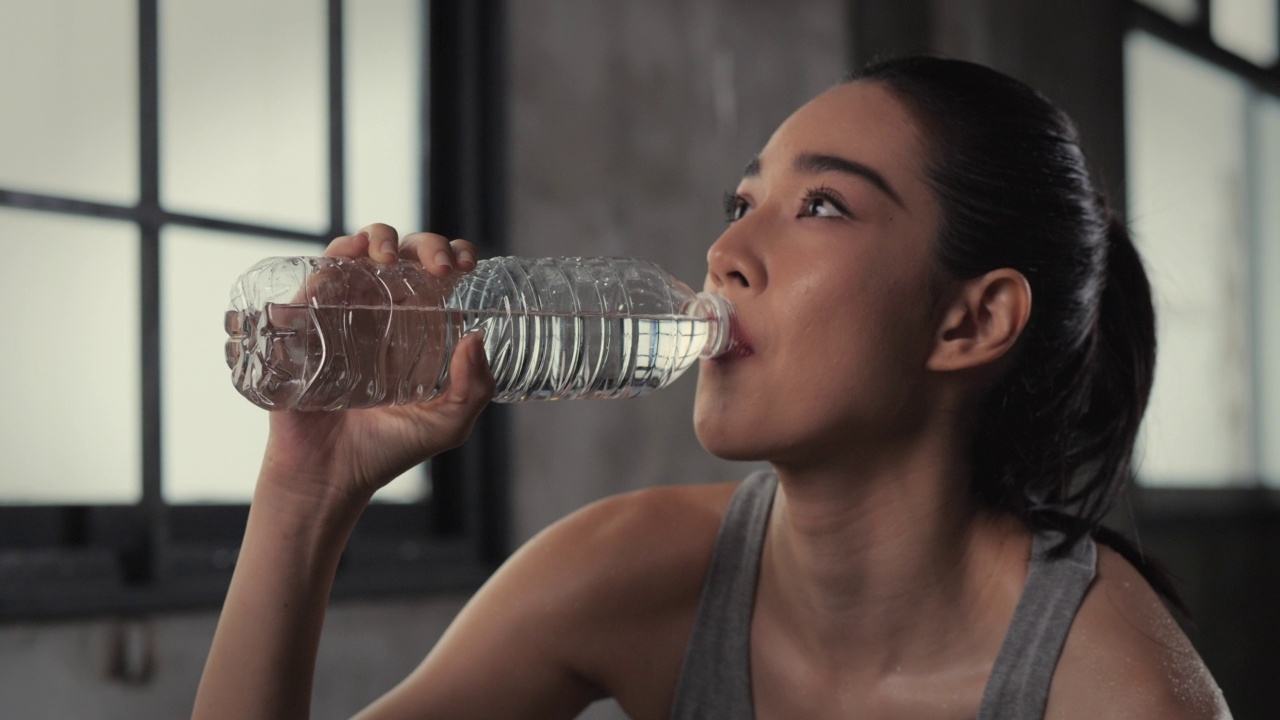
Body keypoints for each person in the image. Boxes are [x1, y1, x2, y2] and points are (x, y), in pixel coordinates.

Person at [192, 57, 1231, 719]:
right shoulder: (630, 570)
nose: (725, 249)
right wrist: (305, 492)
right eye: (742, 198)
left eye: (818, 205)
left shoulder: (1113, 688)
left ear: (969, 320)